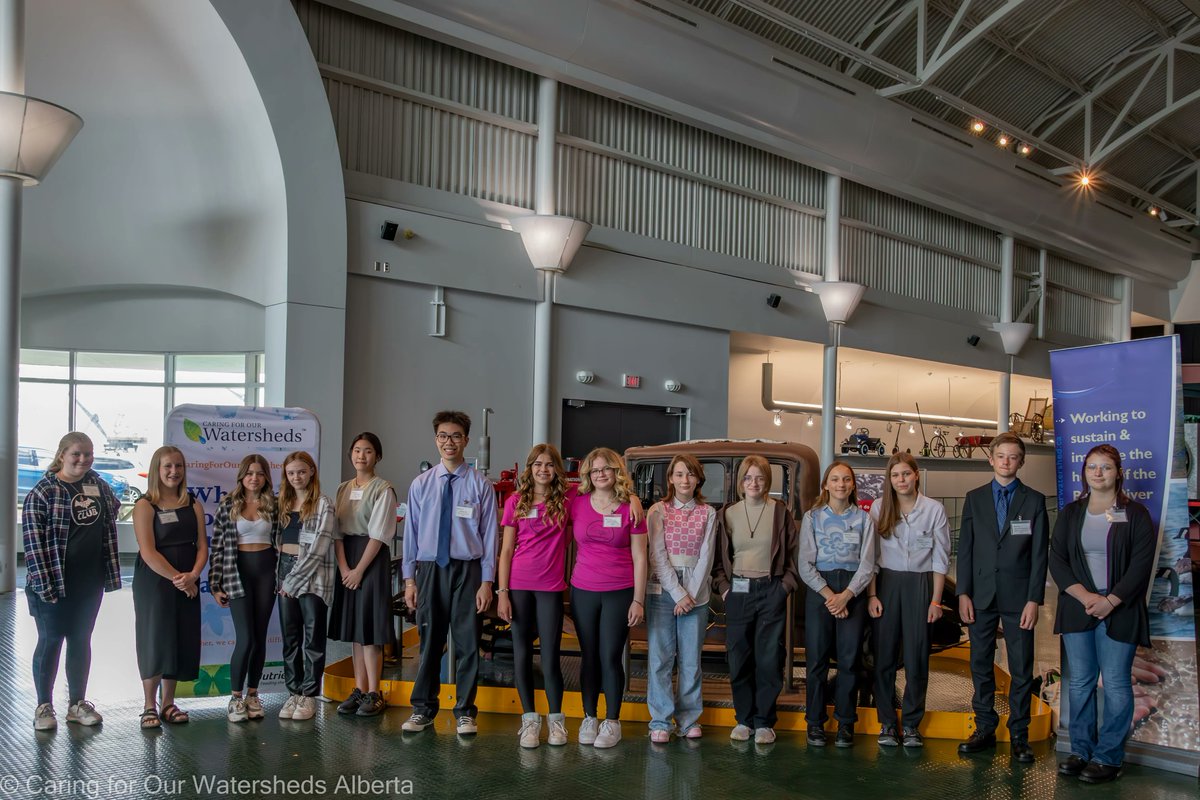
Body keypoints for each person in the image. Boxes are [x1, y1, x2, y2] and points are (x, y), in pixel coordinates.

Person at [1050, 443, 1156, 784]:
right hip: (1078, 608)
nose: (1098, 473)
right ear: (1084, 472)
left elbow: (1141, 565)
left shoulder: (1136, 514)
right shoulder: (1070, 513)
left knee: (1115, 683)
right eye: (1092, 467)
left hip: (1119, 611)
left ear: (1118, 473)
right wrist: (1085, 597)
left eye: (1105, 467)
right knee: (1079, 683)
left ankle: (1108, 757)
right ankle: (1081, 750)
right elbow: (1058, 560)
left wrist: (1110, 600)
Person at [402, 412, 497, 735]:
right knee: (429, 641)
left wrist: (487, 582)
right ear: (435, 440)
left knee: (469, 643)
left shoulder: (481, 485)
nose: (449, 442)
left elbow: (490, 538)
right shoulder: (421, 485)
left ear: (466, 441)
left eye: (456, 436)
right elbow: (411, 536)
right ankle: (423, 709)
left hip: (468, 571)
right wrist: (409, 580)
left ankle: (465, 711)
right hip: (430, 571)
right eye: (443, 436)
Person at [956, 431, 1049, 762]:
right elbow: (964, 549)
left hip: (1019, 598)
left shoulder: (1034, 501)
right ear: (991, 459)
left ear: (1021, 462)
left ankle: (1020, 734)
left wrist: (1034, 600)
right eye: (1001, 456)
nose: (1006, 461)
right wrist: (962, 593)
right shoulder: (974, 497)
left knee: (1021, 668)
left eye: (1013, 457)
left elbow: (1040, 556)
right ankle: (984, 727)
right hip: (980, 596)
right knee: (980, 664)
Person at [23, 432, 122, 731]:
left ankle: (77, 704)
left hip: (89, 582)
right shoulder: (43, 491)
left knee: (81, 641)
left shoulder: (97, 484)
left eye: (88, 454)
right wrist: (45, 586)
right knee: (51, 641)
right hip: (51, 582)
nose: (83, 459)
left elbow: (113, 508)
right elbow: (32, 544)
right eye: (77, 454)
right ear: (62, 454)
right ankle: (44, 706)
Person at [712, 454, 800, 746]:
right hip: (738, 591)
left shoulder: (780, 513)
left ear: (767, 481)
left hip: (770, 589)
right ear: (741, 482)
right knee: (739, 657)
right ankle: (744, 719)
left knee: (769, 658)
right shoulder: (727, 513)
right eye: (748, 477)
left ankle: (764, 721)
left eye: (760, 477)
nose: (754, 482)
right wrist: (725, 588)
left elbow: (792, 554)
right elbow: (718, 560)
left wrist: (784, 587)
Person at [867, 452, 950, 748]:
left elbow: (941, 559)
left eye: (905, 474)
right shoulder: (879, 508)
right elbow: (872, 558)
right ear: (888, 480)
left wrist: (936, 601)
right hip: (887, 584)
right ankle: (888, 723)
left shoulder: (934, 510)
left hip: (921, 585)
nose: (900, 480)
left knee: (916, 658)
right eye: (895, 475)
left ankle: (912, 724)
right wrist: (873, 595)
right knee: (884, 658)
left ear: (916, 475)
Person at [569, 446, 648, 749]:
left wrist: (638, 599)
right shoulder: (576, 503)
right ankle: (590, 716)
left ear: (617, 472)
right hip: (584, 590)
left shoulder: (631, 507)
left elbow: (641, 557)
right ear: (588, 474)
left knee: (610, 656)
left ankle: (612, 721)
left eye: (607, 468)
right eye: (595, 469)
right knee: (588, 655)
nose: (601, 474)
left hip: (620, 591)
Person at [497, 444, 572, 748]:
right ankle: (529, 720)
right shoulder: (516, 501)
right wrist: (502, 593)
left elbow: (604, 494)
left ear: (557, 469)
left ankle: (556, 722)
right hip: (518, 586)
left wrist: (632, 499)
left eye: (549, 464)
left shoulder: (567, 500)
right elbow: (505, 551)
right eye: (538, 464)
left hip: (551, 588)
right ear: (529, 469)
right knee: (521, 655)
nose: (543, 469)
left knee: (552, 657)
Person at [798, 461, 876, 748]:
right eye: (834, 479)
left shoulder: (864, 520)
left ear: (853, 485)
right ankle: (815, 724)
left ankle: (845, 723)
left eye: (846, 479)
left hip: (852, 592)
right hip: (821, 591)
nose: (840, 484)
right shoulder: (812, 518)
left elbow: (868, 564)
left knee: (849, 662)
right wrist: (831, 595)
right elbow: (805, 564)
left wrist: (847, 595)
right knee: (816, 661)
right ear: (825, 485)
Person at [132, 446, 207, 728]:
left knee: (178, 638)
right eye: (167, 467)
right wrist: (180, 579)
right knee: (155, 637)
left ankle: (168, 704)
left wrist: (194, 575)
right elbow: (148, 552)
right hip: (155, 580)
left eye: (178, 466)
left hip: (188, 577)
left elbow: (202, 546)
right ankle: (149, 705)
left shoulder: (192, 503)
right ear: (157, 470)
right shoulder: (145, 505)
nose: (174, 472)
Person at [645, 454, 719, 742]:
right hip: (662, 589)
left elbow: (706, 556)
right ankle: (660, 721)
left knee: (690, 660)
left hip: (696, 595)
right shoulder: (658, 511)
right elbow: (657, 555)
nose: (684, 480)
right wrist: (676, 592)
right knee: (661, 658)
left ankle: (688, 720)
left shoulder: (708, 513)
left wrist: (690, 595)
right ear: (671, 479)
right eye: (678, 474)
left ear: (698, 478)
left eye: (690, 474)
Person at [329, 432, 398, 717]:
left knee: (370, 630)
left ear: (377, 456)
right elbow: (336, 533)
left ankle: (375, 692)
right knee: (356, 632)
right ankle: (359, 690)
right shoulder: (343, 488)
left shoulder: (383, 489)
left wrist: (358, 570)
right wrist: (345, 568)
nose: (361, 456)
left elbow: (380, 534)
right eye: (357, 450)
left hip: (371, 559)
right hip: (347, 558)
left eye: (368, 451)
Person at [209, 453, 279, 723]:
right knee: (246, 637)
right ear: (242, 475)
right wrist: (215, 585)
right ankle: (235, 698)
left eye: (260, 473)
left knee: (259, 638)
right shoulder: (229, 504)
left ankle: (253, 695)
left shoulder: (274, 504)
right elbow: (217, 547)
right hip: (237, 573)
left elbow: (281, 542)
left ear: (265, 478)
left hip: (266, 573)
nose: (254, 478)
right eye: (250, 473)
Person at [275, 451, 338, 722]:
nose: (296, 477)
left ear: (311, 471)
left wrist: (292, 581)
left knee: (312, 640)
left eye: (301, 471)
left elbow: (319, 548)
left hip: (313, 576)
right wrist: (282, 577)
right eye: (291, 473)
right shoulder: (283, 503)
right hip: (284, 569)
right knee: (290, 638)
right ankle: (294, 692)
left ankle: (309, 695)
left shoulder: (323, 504)